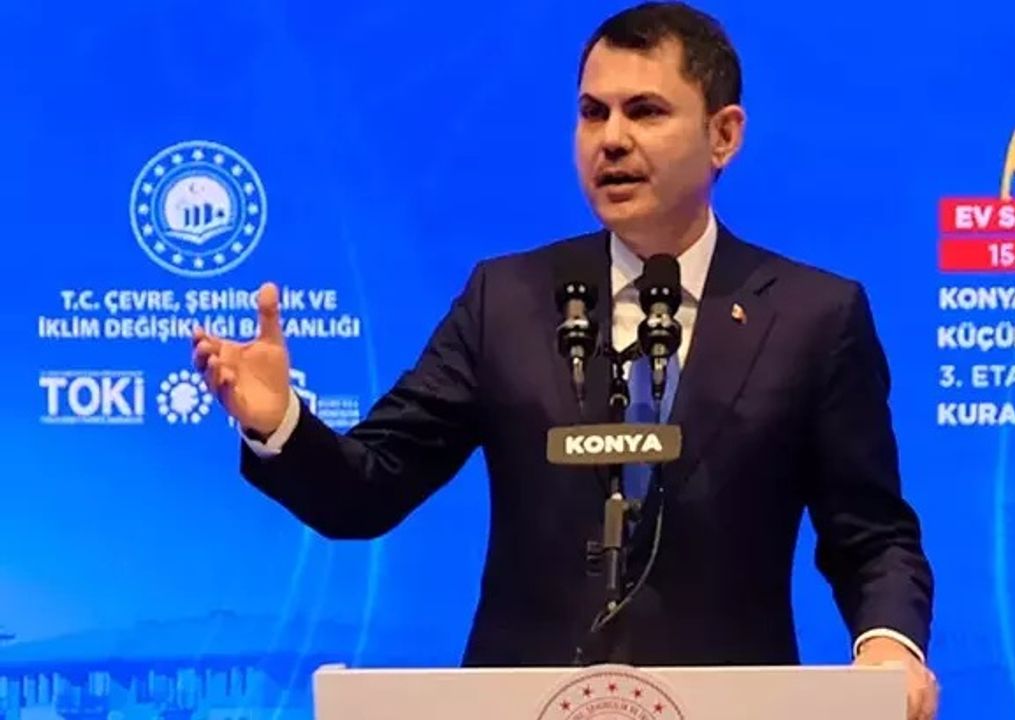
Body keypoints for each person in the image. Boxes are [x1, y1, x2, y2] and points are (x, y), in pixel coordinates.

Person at [192, 2, 938, 717]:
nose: (610, 140)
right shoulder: (507, 300)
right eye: (592, 112)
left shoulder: (812, 316)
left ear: (724, 135)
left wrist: (889, 647)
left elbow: (871, 535)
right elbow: (365, 491)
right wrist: (279, 424)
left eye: (645, 111)